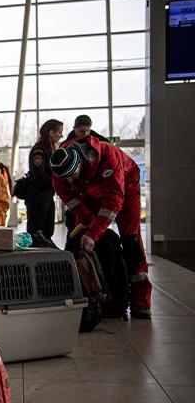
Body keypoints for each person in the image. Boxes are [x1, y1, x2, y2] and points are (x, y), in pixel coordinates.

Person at [51, 137, 153, 319]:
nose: (68, 180)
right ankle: (91, 296)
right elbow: (68, 196)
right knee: (81, 244)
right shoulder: (60, 168)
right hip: (88, 193)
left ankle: (140, 302)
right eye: (64, 177)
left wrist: (94, 232)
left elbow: (114, 200)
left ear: (80, 162)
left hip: (125, 187)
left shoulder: (108, 157)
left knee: (131, 242)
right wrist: (88, 220)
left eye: (71, 175)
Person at [63, 114, 109, 235]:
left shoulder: (101, 142)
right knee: (75, 225)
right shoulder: (66, 146)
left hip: (95, 191)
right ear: (74, 129)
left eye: (87, 131)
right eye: (81, 131)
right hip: (78, 191)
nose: (85, 134)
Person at [25, 119, 64, 239]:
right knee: (38, 233)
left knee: (47, 231)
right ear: (51, 133)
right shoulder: (40, 150)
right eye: (59, 132)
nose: (61, 135)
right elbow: (39, 176)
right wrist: (57, 182)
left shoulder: (49, 149)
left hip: (46, 196)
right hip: (38, 199)